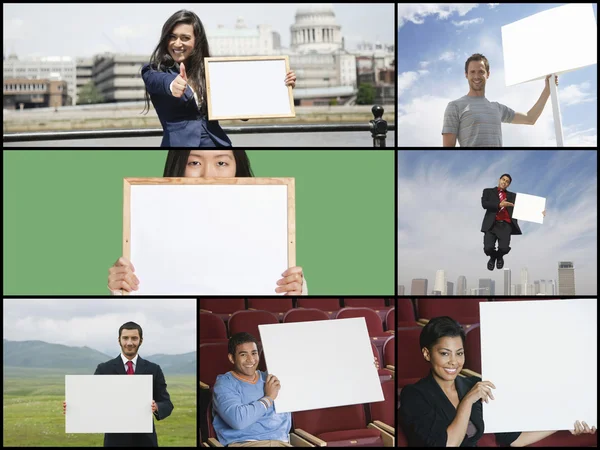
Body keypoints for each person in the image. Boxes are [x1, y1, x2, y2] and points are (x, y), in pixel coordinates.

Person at [107, 150, 306, 295]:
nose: (208, 174)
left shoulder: (268, 234)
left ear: (238, 166)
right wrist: (121, 292)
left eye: (221, 163)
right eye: (194, 163)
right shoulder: (148, 236)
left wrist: (296, 292)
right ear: (178, 165)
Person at [399, 316, 596, 447]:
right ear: (427, 354)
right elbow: (448, 443)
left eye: (459, 353)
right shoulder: (413, 395)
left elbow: (512, 439)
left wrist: (564, 421)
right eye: (444, 353)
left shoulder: (472, 384)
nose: (454, 361)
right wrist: (468, 401)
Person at [141, 9, 297, 148]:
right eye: (172, 37)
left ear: (196, 41)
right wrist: (172, 84)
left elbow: (243, 109)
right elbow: (159, 82)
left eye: (185, 38)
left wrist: (281, 85)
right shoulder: (153, 71)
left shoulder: (211, 72)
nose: (177, 43)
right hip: (179, 152)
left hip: (218, 146)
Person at [212, 332, 380, 446]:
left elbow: (326, 375)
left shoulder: (272, 377)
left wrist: (364, 366)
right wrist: (268, 398)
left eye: (254, 353)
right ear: (231, 357)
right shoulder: (225, 384)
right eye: (243, 354)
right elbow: (238, 420)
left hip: (282, 443)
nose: (250, 359)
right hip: (247, 444)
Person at [63, 322, 174, 447]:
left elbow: (167, 404)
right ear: (119, 340)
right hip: (114, 441)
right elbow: (92, 400)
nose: (129, 343)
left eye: (134, 338)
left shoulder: (154, 369)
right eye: (125, 338)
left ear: (141, 341)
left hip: (146, 441)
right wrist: (75, 407)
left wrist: (157, 407)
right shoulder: (104, 369)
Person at [442, 53, 558, 147]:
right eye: (472, 72)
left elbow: (530, 118)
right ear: (466, 75)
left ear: (488, 74)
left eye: (481, 71)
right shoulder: (455, 106)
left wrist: (547, 89)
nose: (476, 76)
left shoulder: (497, 108)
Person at [481, 173, 545, 271]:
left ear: (509, 184)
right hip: (491, 224)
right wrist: (499, 204)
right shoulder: (488, 191)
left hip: (505, 225)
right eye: (503, 179)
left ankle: (499, 256)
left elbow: (525, 207)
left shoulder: (513, 196)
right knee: (488, 248)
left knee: (504, 248)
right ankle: (493, 257)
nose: (505, 182)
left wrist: (539, 212)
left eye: (507, 182)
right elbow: (484, 204)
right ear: (499, 179)